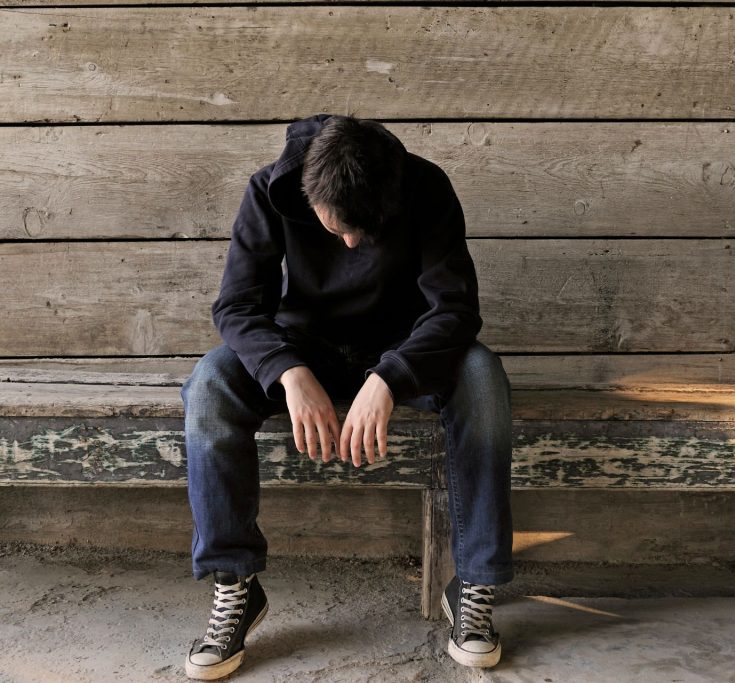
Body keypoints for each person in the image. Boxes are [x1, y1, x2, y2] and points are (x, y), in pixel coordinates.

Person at [179, 113, 514, 680]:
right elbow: (236, 307)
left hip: (404, 350)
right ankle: (235, 584)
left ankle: (474, 586)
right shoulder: (269, 189)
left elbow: (456, 309)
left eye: (366, 230)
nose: (353, 242)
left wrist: (391, 377)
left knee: (483, 376)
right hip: (303, 350)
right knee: (209, 384)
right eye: (340, 228)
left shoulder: (426, 186)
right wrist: (288, 371)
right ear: (308, 194)